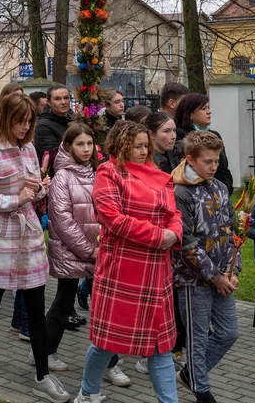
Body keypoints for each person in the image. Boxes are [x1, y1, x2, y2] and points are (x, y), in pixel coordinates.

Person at [0, 93, 71, 401]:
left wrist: (37, 191)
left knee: (36, 307)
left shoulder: (28, 150)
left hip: (29, 236)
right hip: (0, 235)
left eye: (29, 121)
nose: (25, 127)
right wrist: (17, 199)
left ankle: (42, 375)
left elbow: (31, 187)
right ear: (7, 119)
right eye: (20, 121)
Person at [72, 122, 182, 403]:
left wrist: (175, 232)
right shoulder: (108, 173)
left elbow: (174, 213)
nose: (144, 151)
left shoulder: (158, 174)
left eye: (146, 145)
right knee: (106, 342)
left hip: (156, 271)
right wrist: (159, 236)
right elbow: (113, 219)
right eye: (138, 146)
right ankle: (88, 392)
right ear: (121, 146)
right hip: (123, 269)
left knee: (160, 345)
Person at [46, 123, 125, 384]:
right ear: (68, 146)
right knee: (63, 302)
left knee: (105, 308)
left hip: (100, 249)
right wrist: (89, 250)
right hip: (74, 252)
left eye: (89, 144)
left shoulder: (97, 172)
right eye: (80, 144)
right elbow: (62, 220)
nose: (85, 148)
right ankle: (45, 352)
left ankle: (111, 364)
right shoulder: (62, 178)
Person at [172, 131, 240, 403]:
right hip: (194, 279)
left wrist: (233, 271)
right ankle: (202, 390)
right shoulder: (181, 192)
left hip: (223, 275)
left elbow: (231, 232)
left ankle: (190, 374)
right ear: (190, 160)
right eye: (208, 161)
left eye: (216, 161)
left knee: (228, 333)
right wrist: (213, 276)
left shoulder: (220, 188)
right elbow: (186, 242)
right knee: (197, 338)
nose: (214, 166)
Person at [173, 93, 233, 192]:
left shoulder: (215, 135)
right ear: (190, 114)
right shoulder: (180, 136)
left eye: (208, 107)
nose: (209, 112)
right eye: (204, 108)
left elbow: (224, 168)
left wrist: (224, 189)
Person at [35, 84, 72, 172]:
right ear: (49, 102)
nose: (63, 102)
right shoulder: (44, 126)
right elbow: (50, 157)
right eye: (57, 99)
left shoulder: (76, 120)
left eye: (66, 98)